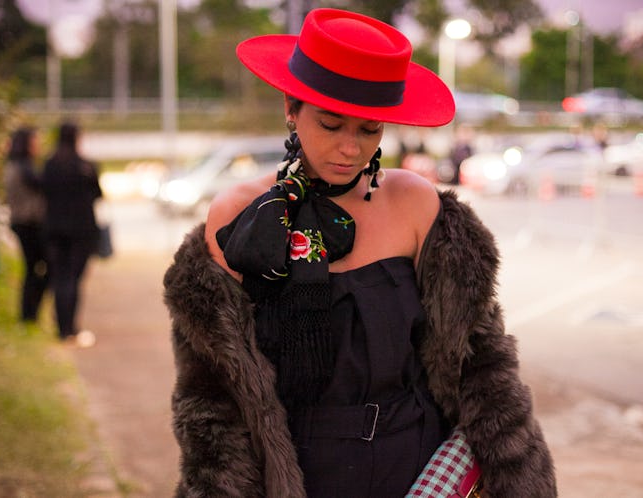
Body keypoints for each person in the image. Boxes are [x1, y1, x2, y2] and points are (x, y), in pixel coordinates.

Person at [164, 8, 556, 498]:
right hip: (299, 476)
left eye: (369, 131)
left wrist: (519, 476)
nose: (350, 148)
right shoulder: (238, 217)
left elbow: (482, 361)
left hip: (418, 469)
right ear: (292, 107)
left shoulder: (416, 203)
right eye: (331, 124)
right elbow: (211, 396)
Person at [42, 122, 100, 347]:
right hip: (80, 230)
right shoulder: (84, 166)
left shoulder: (49, 165)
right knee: (74, 279)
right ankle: (71, 328)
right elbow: (98, 193)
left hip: (54, 228)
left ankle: (61, 328)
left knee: (60, 278)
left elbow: (43, 190)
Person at [4, 127, 50, 322]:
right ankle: (28, 314)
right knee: (39, 268)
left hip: (21, 222)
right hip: (28, 223)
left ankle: (28, 314)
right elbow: (42, 187)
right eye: (35, 141)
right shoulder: (23, 167)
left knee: (33, 268)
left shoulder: (15, 165)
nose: (38, 145)